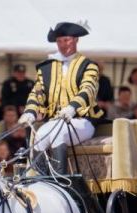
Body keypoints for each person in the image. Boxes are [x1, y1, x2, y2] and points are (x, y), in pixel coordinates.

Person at [18, 22, 102, 174]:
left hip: (83, 120)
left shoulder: (89, 65)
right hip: (55, 121)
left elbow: (88, 89)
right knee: (40, 135)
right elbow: (37, 92)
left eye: (67, 40)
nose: (63, 45)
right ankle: (41, 179)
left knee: (59, 133)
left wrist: (72, 107)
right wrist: (30, 112)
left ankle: (61, 181)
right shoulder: (46, 67)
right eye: (59, 41)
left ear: (76, 40)